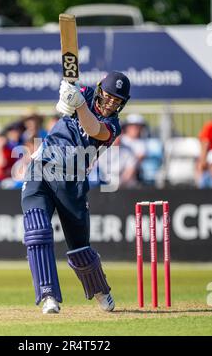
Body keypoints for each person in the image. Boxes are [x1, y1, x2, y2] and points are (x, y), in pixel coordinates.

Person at [21, 71, 130, 314]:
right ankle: (48, 295)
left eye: (117, 100)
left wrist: (78, 105)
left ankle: (101, 289)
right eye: (109, 96)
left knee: (80, 249)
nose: (111, 103)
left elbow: (93, 129)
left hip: (72, 181)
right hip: (41, 170)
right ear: (100, 90)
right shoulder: (87, 94)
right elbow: (68, 100)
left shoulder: (113, 126)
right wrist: (67, 95)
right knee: (37, 231)